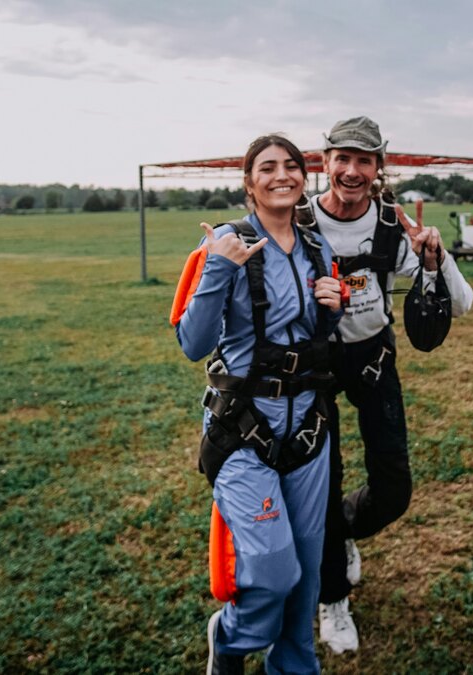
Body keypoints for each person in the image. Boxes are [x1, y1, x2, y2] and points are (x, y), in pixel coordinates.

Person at [300, 116, 473, 653]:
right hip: (311, 369)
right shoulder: (297, 220)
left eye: (364, 161)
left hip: (373, 359)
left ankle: (348, 529)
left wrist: (433, 254)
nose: (352, 172)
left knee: (394, 488)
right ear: (324, 162)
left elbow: (463, 303)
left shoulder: (394, 227)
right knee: (320, 493)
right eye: (342, 159)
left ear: (379, 168)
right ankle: (333, 600)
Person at [173, 134, 344, 675]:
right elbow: (193, 344)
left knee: (307, 572)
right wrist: (219, 267)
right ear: (249, 183)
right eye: (266, 168)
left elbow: (317, 337)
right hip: (242, 428)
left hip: (309, 429)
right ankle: (230, 642)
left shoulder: (319, 249)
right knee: (273, 572)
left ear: (303, 178)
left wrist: (333, 310)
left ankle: (294, 665)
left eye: (291, 166)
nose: (281, 176)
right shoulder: (224, 243)